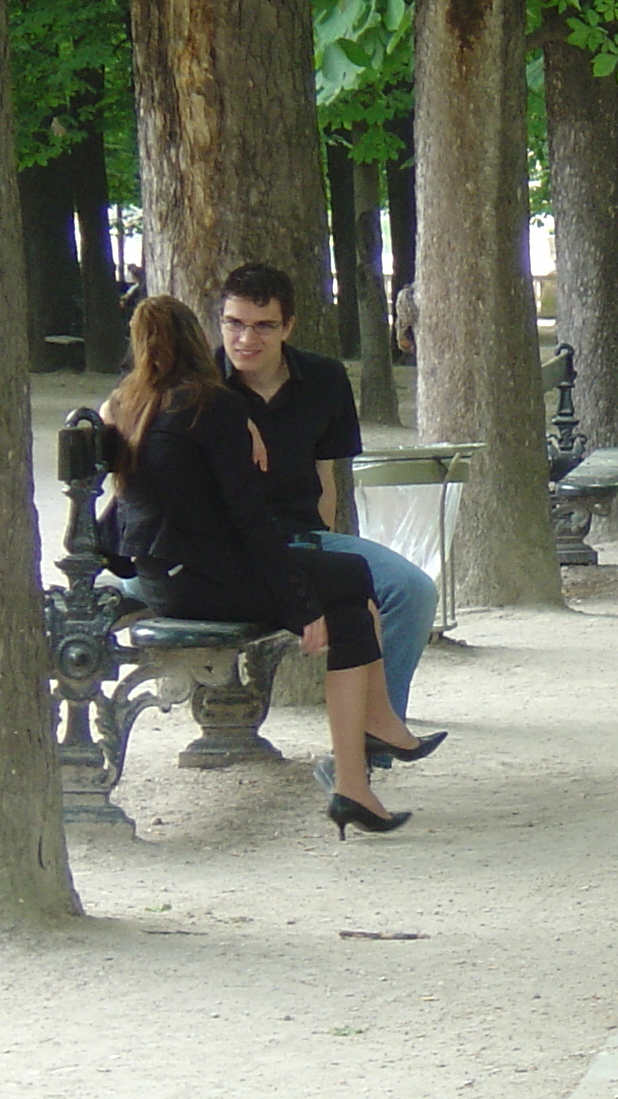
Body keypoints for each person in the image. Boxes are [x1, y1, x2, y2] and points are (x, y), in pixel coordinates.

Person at [106, 296, 435, 838]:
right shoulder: (212, 408)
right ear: (199, 337)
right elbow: (249, 518)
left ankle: (354, 787)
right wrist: (300, 605)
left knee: (352, 602)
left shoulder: (129, 404)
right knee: (351, 578)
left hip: (165, 576)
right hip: (201, 581)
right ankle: (373, 732)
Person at [216, 263, 440, 731]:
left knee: (412, 590)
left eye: (263, 326)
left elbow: (326, 477)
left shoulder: (324, 380)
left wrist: (330, 555)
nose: (245, 339)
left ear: (288, 326)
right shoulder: (201, 385)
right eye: (234, 323)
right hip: (229, 548)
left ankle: (377, 732)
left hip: (305, 537)